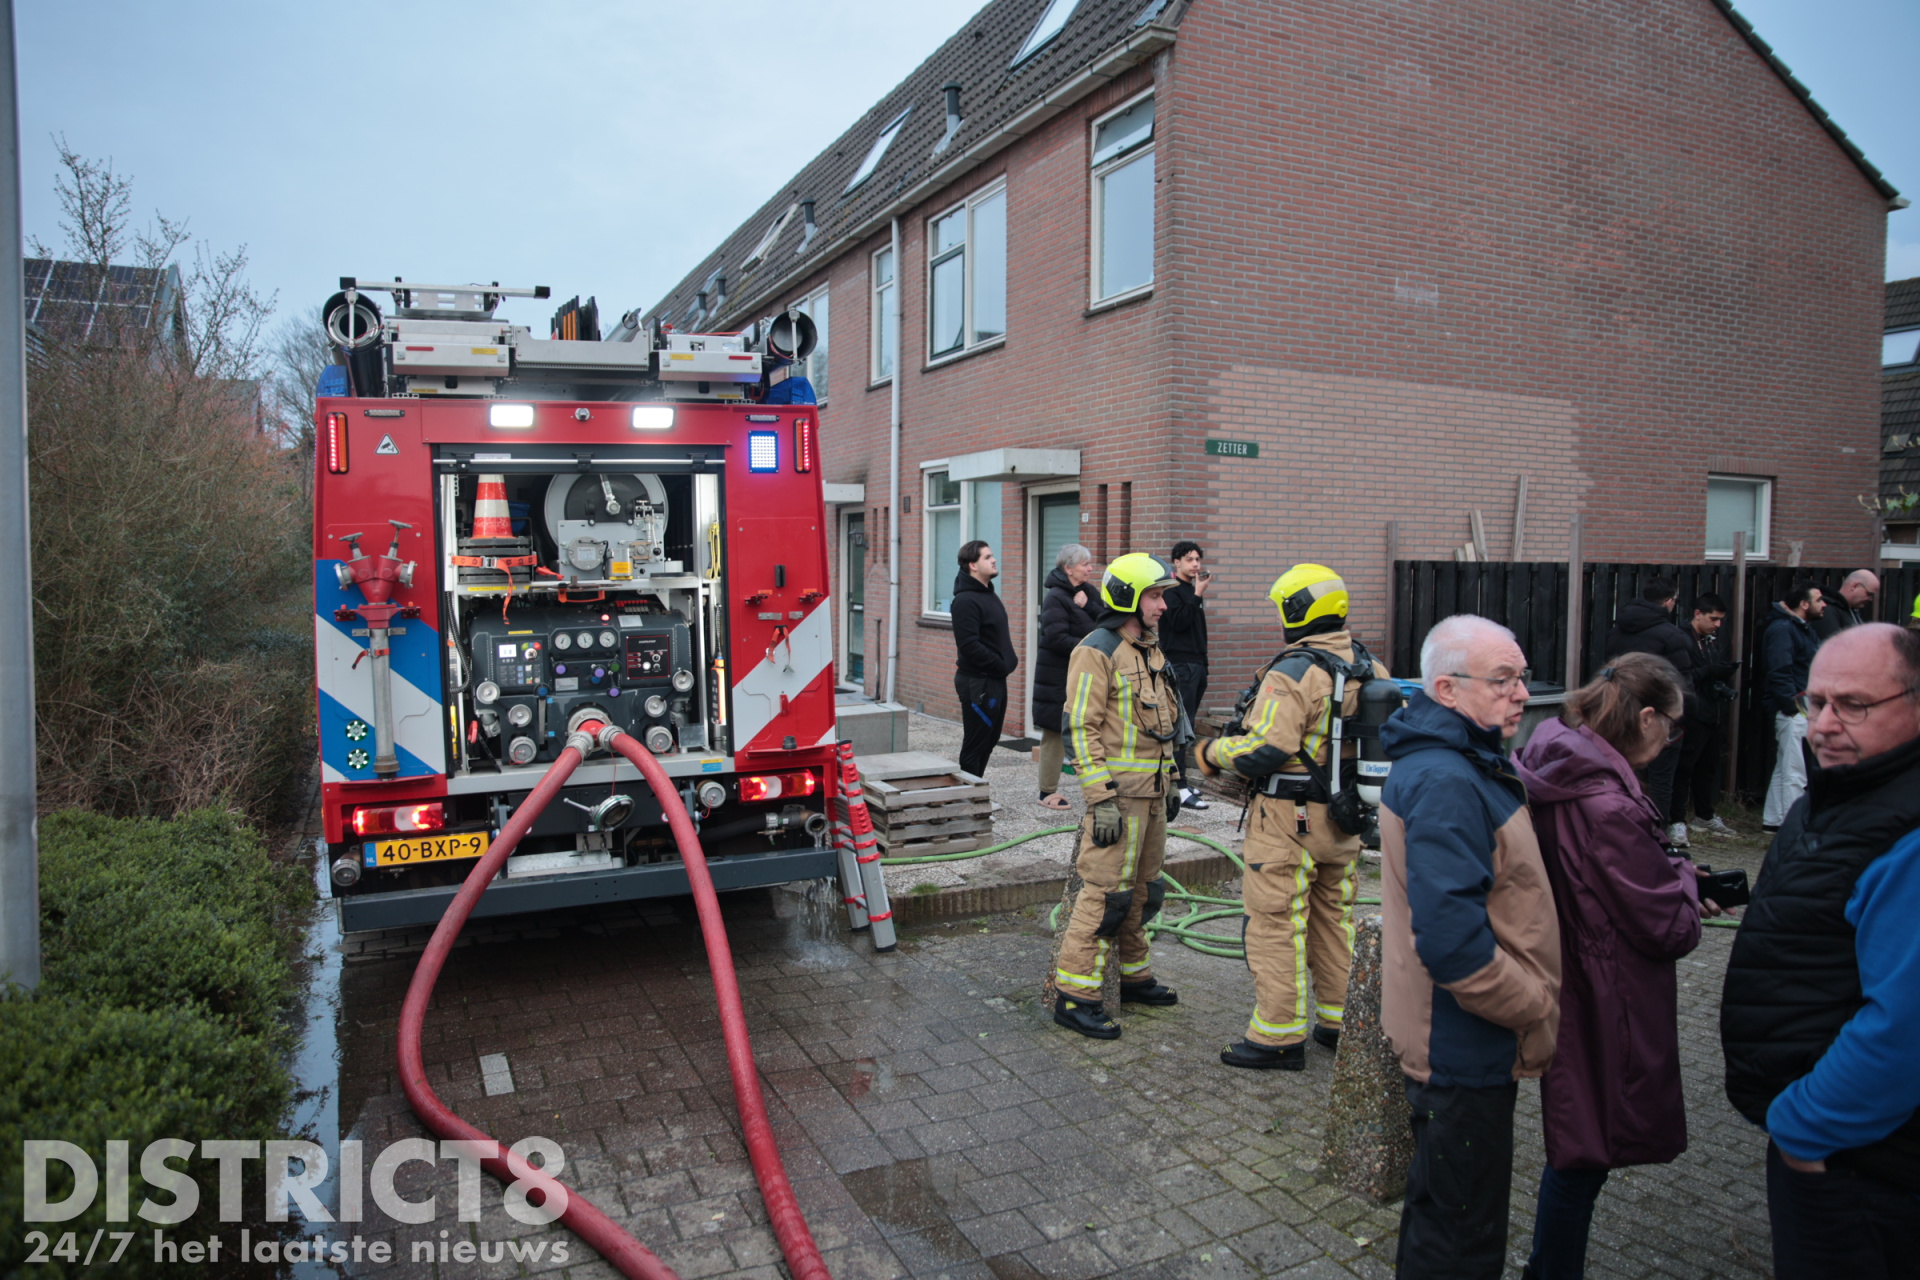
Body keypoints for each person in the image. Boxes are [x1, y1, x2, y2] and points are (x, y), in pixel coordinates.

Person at [1720, 624, 1920, 1279]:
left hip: (1861, 1161)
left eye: (1854, 706)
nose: (1823, 726)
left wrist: (1807, 1128)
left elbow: (1903, 1024)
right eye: (1816, 703)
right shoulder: (1842, 794)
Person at [1379, 614, 1560, 1280]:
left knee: (1440, 1213)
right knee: (1460, 1239)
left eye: (1522, 679)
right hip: (1464, 1043)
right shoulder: (1449, 782)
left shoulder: (1461, 762)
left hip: (1458, 1038)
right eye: (1503, 680)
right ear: (1448, 691)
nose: (1521, 695)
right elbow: (1454, 947)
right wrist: (1533, 1004)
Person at [1516, 653, 1706, 1280]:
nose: (1673, 736)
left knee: (1578, 1140)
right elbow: (1669, 927)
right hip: (1606, 992)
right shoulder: (1610, 807)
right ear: (1647, 717)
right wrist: (1679, 871)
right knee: (1583, 1152)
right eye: (1672, 724)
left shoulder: (1555, 759)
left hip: (1566, 968)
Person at [1195, 564, 1389, 1070]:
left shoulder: (1295, 671)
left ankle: (1277, 1036)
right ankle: (1340, 1020)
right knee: (1333, 919)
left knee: (1275, 922)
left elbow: (1266, 748)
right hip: (1345, 819)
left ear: (1297, 611)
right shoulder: (1372, 667)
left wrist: (1210, 751)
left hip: (1288, 820)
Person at [1051, 553, 1188, 1039]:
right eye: (1155, 596)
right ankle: (1074, 996)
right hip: (1118, 800)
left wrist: (1171, 779)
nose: (1162, 606)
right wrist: (1099, 797)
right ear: (1129, 597)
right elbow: (1080, 727)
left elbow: (1162, 729)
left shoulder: (1149, 649)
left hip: (1152, 797)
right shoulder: (1097, 649)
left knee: (1145, 893)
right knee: (1106, 896)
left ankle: (1133, 976)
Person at [1601, 578, 1693, 847]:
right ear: (1668, 602)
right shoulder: (1672, 635)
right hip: (1660, 718)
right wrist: (1682, 719)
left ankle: (1623, 833)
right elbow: (1683, 683)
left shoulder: (1617, 631)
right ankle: (1656, 840)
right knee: (1661, 779)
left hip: (1621, 714)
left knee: (1624, 774)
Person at [1033, 544, 1099, 810]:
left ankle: (1097, 787)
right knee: (1055, 733)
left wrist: (1090, 605)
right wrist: (1092, 648)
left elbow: (1109, 621)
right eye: (1085, 564)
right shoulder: (1056, 598)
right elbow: (1057, 638)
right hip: (1058, 677)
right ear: (1068, 568)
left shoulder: (1088, 592)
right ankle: (1046, 792)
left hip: (1086, 675)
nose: (1090, 568)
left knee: (1089, 731)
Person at [1758, 583, 1823, 831]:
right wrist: (1793, 706)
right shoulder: (1785, 629)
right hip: (1795, 709)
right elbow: (1779, 670)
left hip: (1798, 706)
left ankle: (1774, 821)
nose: (1824, 604)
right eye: (1818, 599)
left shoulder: (1801, 629)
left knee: (1786, 765)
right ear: (1803, 604)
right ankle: (1793, 828)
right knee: (1796, 770)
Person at [949, 540, 1017, 780]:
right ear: (973, 565)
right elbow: (969, 646)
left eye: (992, 555)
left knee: (989, 739)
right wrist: (1000, 664)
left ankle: (975, 791)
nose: (994, 560)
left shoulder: (988, 594)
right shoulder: (965, 601)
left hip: (995, 680)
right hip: (978, 683)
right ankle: (968, 798)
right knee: (976, 742)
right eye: (987, 557)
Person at [1673, 592, 1738, 838]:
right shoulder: (1681, 638)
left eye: (1721, 619)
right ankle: (1677, 819)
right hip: (1691, 712)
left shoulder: (1712, 640)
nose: (1717, 624)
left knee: (1708, 766)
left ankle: (1704, 814)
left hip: (1712, 710)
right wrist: (1710, 671)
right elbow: (1683, 676)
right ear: (1697, 614)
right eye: (1713, 618)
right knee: (1684, 767)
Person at [1160, 540, 1213, 810]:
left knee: (1188, 724)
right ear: (1177, 562)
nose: (1196, 565)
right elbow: (1179, 623)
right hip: (1181, 665)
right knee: (1181, 726)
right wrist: (1197, 595)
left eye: (1198, 560)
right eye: (1190, 560)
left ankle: (1181, 783)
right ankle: (1178, 787)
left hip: (1197, 665)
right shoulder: (1171, 591)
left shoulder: (1191, 591)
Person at [1812, 569, 1879, 639]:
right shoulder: (1828, 611)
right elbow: (1831, 645)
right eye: (1869, 594)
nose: (1870, 599)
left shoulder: (1852, 610)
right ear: (1854, 586)